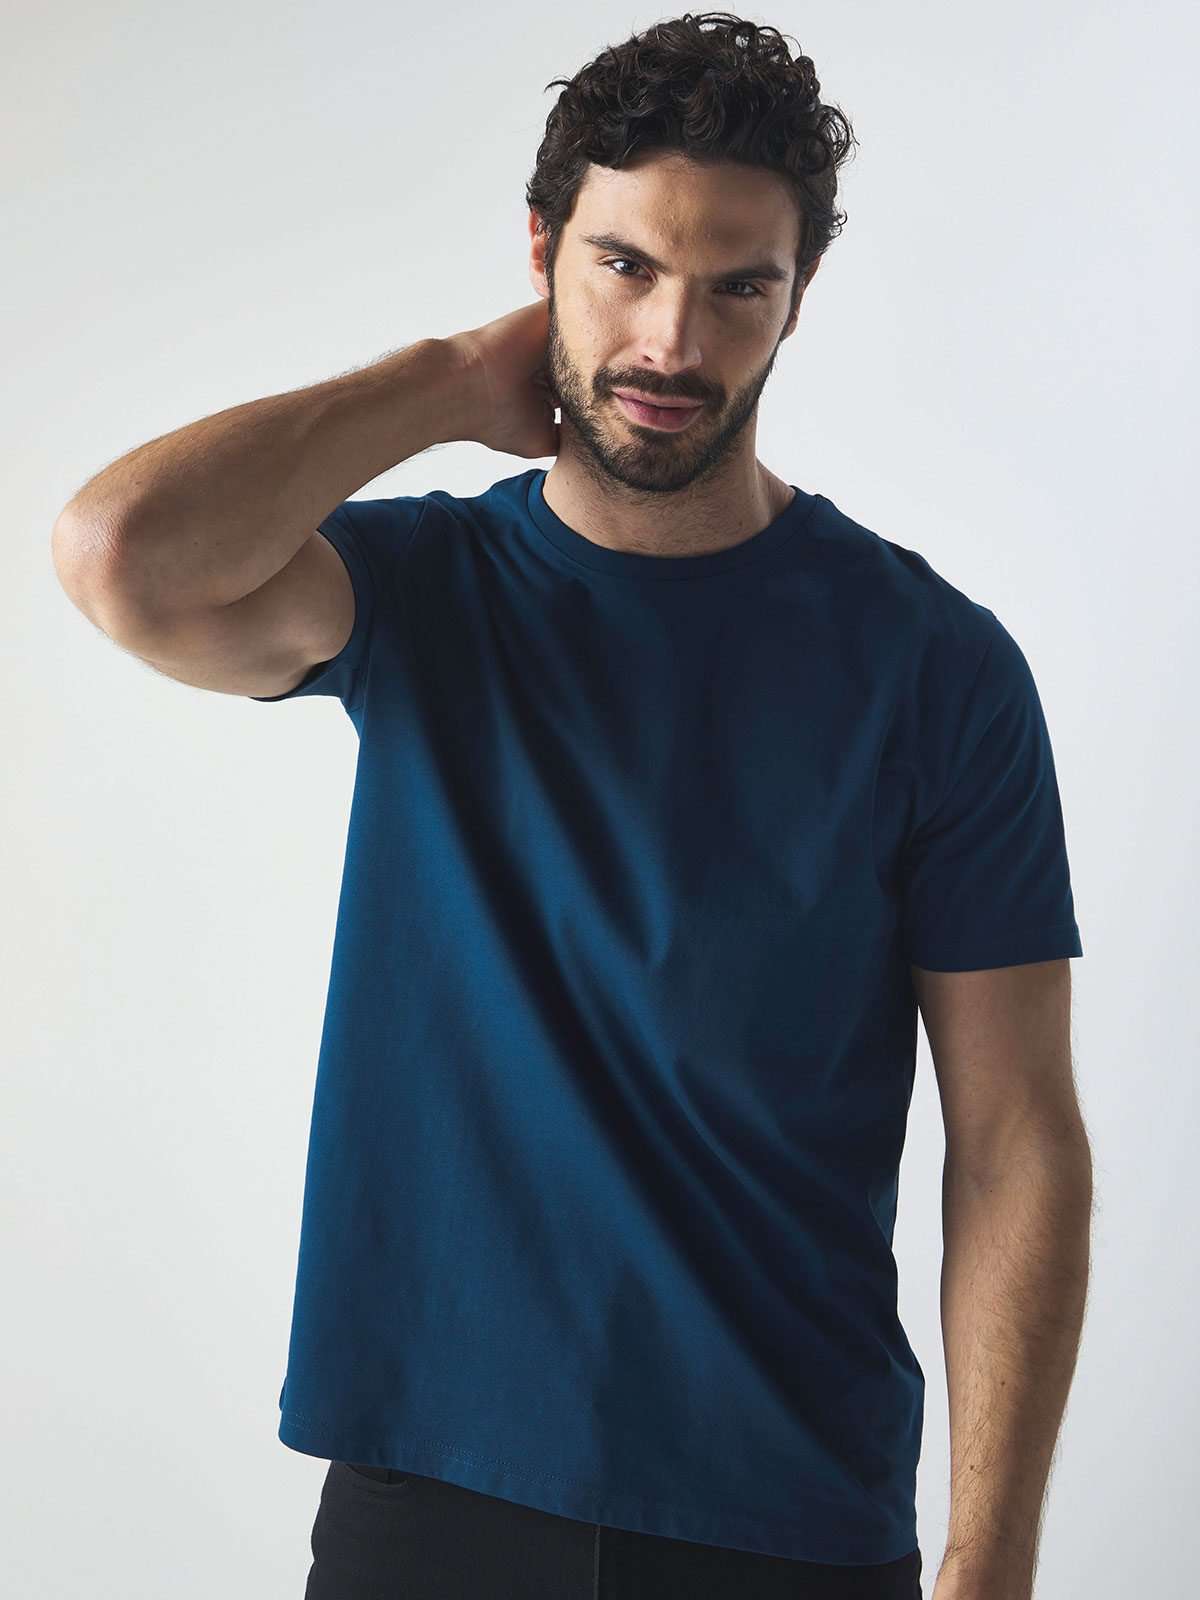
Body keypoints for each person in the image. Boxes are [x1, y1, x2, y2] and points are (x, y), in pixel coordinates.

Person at [51, 13, 1091, 1600]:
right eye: (624, 265)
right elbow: (121, 555)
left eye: (737, 285)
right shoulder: (420, 593)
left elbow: (1015, 1139)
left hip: (787, 1515)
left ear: (798, 295)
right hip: (432, 1496)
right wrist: (435, 385)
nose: (672, 340)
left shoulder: (934, 669)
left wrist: (991, 1559)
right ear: (541, 251)